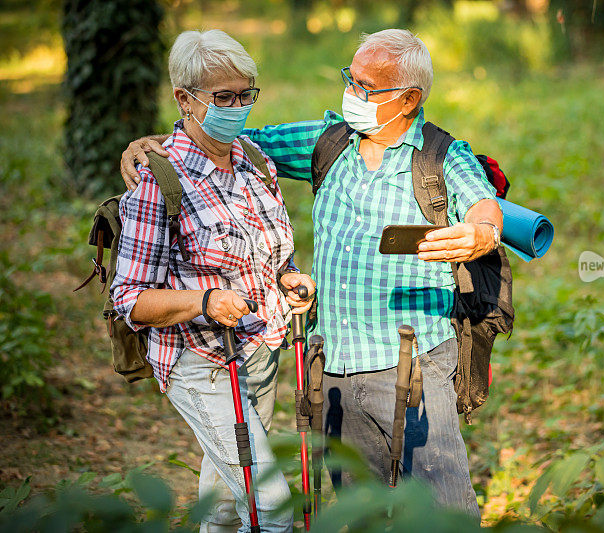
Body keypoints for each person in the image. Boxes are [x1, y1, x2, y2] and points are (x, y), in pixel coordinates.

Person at [120, 29, 502, 518]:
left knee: (444, 512)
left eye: (367, 88)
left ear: (408, 98)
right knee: (360, 512)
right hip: (335, 368)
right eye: (351, 79)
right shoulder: (330, 141)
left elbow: (481, 203)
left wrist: (482, 234)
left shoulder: (440, 157)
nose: (352, 94)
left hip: (413, 367)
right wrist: (149, 146)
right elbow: (222, 141)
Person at [111, 29, 315, 532]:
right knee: (269, 504)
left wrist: (287, 279)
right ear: (185, 98)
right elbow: (128, 298)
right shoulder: (159, 180)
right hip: (202, 361)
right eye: (224, 97)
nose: (239, 106)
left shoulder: (255, 162)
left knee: (224, 501)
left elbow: (267, 253)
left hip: (260, 350)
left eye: (247, 94)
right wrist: (205, 300)